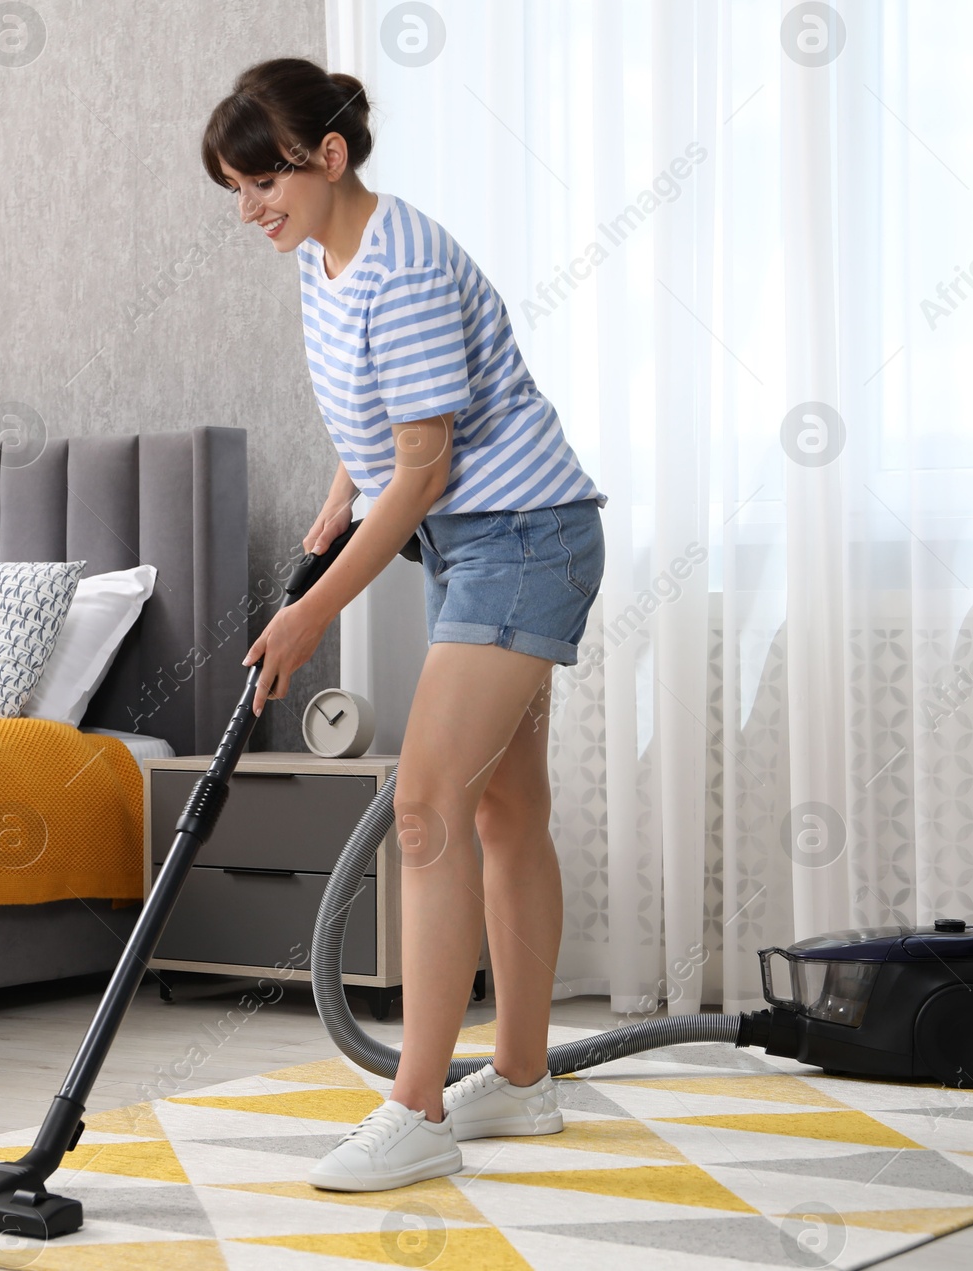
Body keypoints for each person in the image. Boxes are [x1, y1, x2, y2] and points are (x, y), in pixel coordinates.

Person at [201, 57, 606, 1192]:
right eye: (234, 189)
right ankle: (519, 1082)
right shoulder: (323, 255)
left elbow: (423, 468)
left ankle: (415, 1107)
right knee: (504, 812)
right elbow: (379, 418)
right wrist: (338, 494)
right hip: (480, 541)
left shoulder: (407, 266)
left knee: (426, 805)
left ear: (328, 158)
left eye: (260, 182)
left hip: (520, 536)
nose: (248, 210)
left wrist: (310, 615)